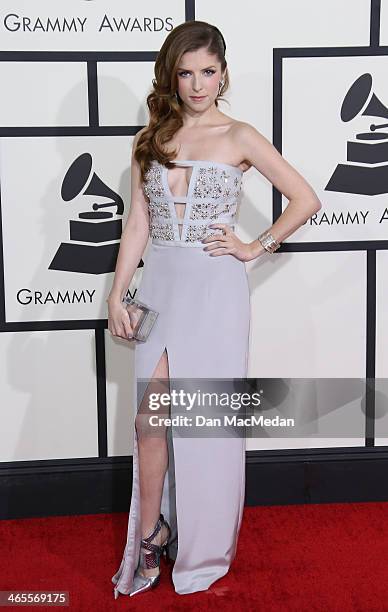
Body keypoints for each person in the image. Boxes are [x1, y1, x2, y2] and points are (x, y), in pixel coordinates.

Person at [108, 20, 322, 598]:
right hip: (160, 288)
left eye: (208, 72)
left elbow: (306, 199)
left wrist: (254, 247)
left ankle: (202, 552)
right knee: (148, 424)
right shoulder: (152, 136)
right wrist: (116, 293)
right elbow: (137, 224)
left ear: (223, 73)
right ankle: (150, 535)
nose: (198, 84)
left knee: (206, 426)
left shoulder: (240, 136)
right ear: (171, 77)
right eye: (186, 72)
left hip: (217, 292)